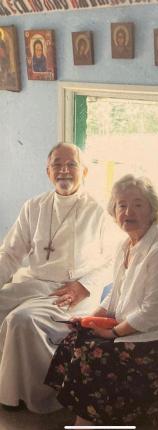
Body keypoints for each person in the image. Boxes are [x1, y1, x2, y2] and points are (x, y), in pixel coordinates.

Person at [45, 174, 158, 430]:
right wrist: (87, 319)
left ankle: (86, 424)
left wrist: (112, 332)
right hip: (139, 327)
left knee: (96, 355)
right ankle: (90, 419)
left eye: (138, 204)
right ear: (114, 211)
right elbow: (113, 296)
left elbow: (153, 314)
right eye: (121, 205)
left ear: (152, 210)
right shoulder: (124, 246)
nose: (128, 211)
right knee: (75, 339)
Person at [0, 143, 117, 413]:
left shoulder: (100, 210)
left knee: (21, 320)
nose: (64, 170)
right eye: (57, 164)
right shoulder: (34, 207)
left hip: (71, 292)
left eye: (72, 164)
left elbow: (116, 260)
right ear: (48, 171)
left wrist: (84, 286)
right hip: (32, 282)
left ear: (84, 171)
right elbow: (10, 253)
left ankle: (22, 396)